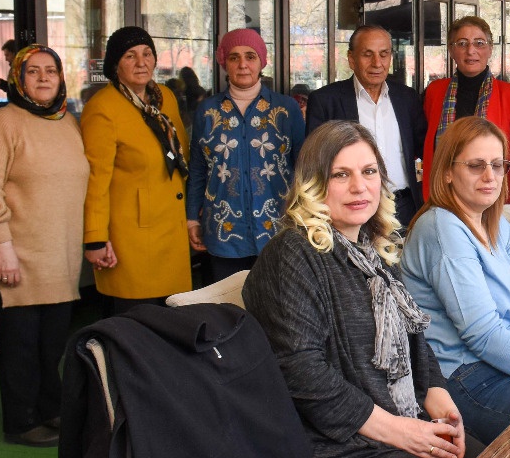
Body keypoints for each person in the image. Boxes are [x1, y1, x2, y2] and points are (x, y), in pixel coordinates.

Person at [243, 121, 481, 458]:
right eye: (341, 175)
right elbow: (300, 372)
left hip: (390, 435)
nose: (359, 187)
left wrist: (439, 396)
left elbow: (414, 338)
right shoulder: (292, 253)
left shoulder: (372, 251)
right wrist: (399, 432)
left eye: (369, 172)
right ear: (313, 184)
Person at [400, 116, 510, 443]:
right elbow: (484, 336)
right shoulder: (442, 226)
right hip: (465, 379)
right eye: (476, 166)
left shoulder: (496, 227)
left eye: (498, 165)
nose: (490, 176)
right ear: (447, 172)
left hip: (504, 366)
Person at [0, 45, 88, 448]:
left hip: (61, 254)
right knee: (21, 345)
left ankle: (49, 409)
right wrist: (2, 246)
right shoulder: (2, 122)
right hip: (19, 253)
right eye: (33, 72)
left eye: (51, 71)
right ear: (18, 79)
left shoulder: (66, 122)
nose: (43, 78)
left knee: (51, 343)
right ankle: (20, 421)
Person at [81, 26, 192, 313]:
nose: (141, 63)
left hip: (172, 229)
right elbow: (95, 179)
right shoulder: (103, 108)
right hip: (132, 238)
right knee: (139, 327)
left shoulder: (164, 97)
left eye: (147, 54)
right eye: (130, 56)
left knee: (172, 325)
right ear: (115, 64)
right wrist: (95, 238)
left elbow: (182, 156)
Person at [185, 27, 306, 283]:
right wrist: (190, 219)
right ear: (223, 63)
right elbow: (197, 169)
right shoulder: (207, 111)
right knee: (229, 310)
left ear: (262, 61)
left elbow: (304, 166)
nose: (242, 65)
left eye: (250, 56)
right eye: (234, 57)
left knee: (279, 307)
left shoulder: (286, 109)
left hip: (278, 230)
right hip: (224, 231)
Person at [305, 26, 427, 227]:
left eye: (384, 54)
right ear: (352, 59)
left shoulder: (407, 98)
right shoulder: (326, 100)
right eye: (367, 55)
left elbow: (423, 147)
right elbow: (315, 162)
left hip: (403, 207)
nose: (377, 63)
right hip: (353, 206)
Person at [422, 16, 510, 202]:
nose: (471, 50)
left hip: (496, 199)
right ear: (451, 50)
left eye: (479, 43)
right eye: (462, 43)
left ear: (490, 49)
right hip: (444, 195)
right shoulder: (435, 92)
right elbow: (429, 149)